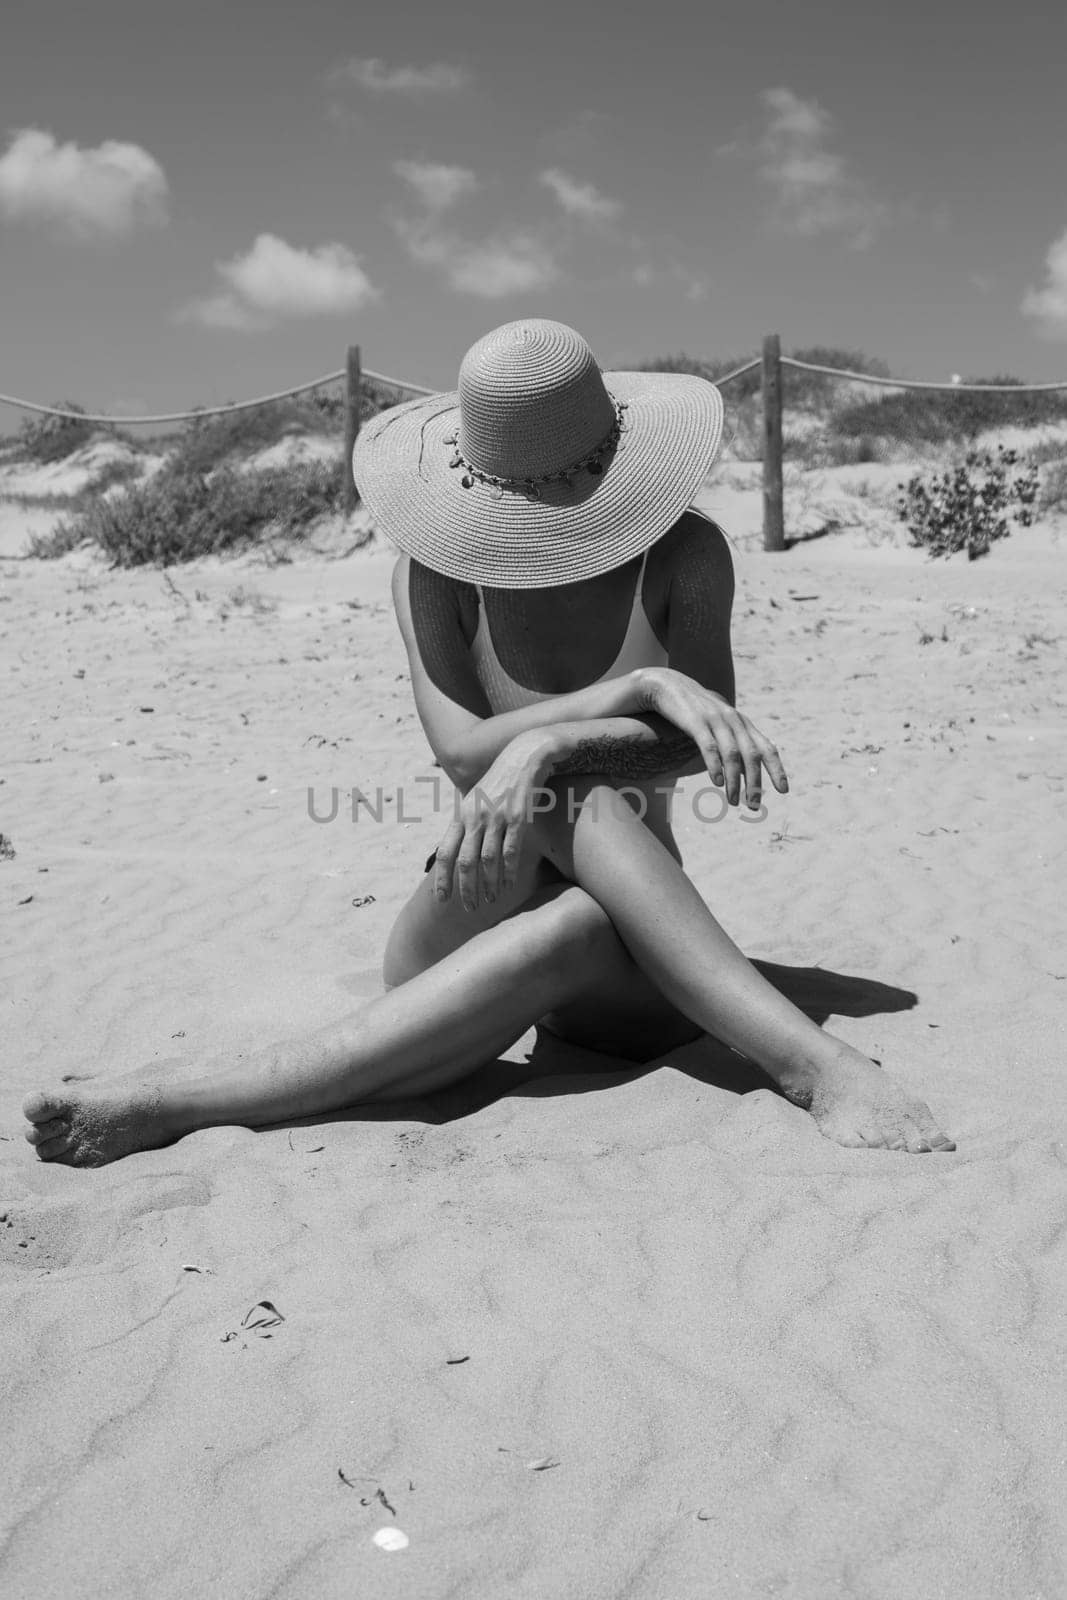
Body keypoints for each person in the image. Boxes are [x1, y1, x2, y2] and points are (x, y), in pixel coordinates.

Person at [22, 319, 954, 1165]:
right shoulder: (431, 575)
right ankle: (811, 1057)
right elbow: (466, 755)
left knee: (571, 854)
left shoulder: (684, 555)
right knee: (556, 791)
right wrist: (633, 686)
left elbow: (702, 746)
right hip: (463, 905)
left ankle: (191, 1096)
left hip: (633, 946)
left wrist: (544, 748)